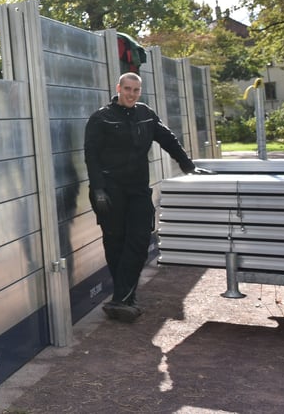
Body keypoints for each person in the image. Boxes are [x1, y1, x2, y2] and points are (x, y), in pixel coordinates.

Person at [84, 71, 199, 323]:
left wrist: (188, 166)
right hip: (109, 190)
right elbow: (91, 156)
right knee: (115, 242)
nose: (131, 94)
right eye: (127, 89)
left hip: (138, 189)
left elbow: (168, 139)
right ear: (118, 89)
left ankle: (121, 299)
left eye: (136, 90)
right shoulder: (101, 118)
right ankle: (125, 299)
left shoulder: (145, 114)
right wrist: (98, 189)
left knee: (138, 239)